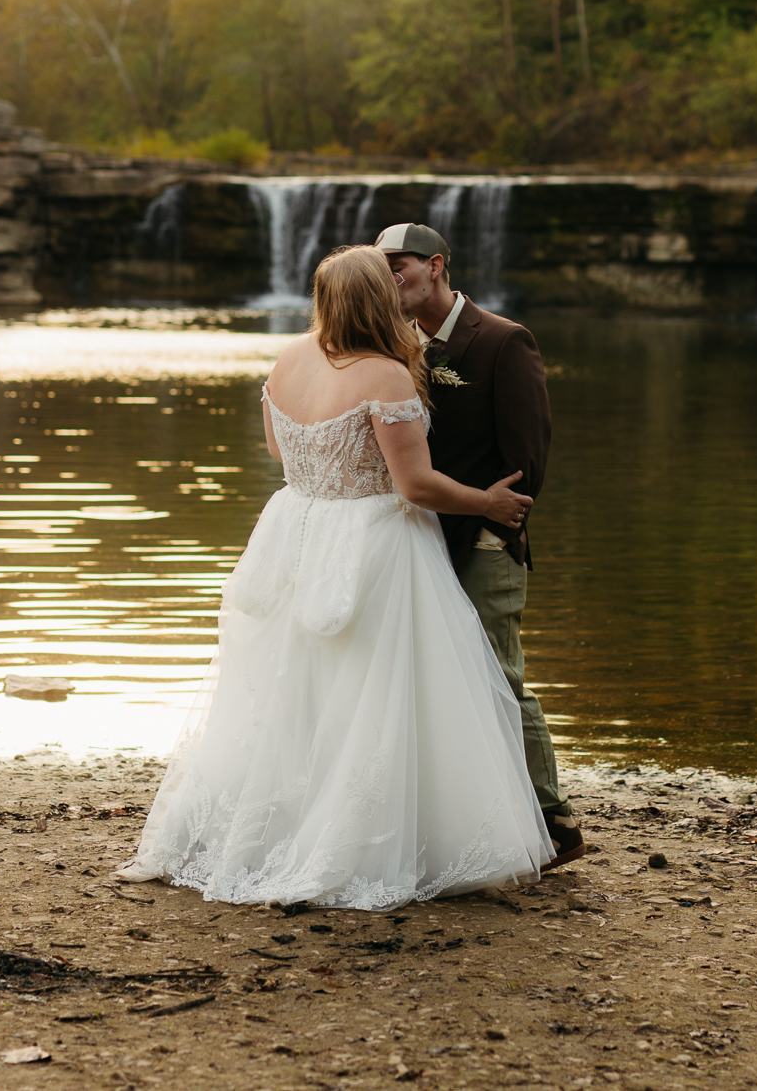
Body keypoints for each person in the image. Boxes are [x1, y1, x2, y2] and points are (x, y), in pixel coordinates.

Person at [115, 244, 554, 909]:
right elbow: (415, 483)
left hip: (297, 531)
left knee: (298, 691)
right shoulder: (386, 375)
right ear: (378, 299)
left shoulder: (289, 359)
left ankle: (270, 830)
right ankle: (366, 841)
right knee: (376, 695)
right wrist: (487, 502)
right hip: (374, 542)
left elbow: (275, 447)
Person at [373, 222, 587, 867]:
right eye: (379, 271)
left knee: (497, 676)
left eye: (399, 266)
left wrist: (492, 527)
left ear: (435, 264)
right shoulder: (394, 349)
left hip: (485, 540)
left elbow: (529, 460)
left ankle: (554, 820)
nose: (390, 281)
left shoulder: (500, 340)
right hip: (415, 539)